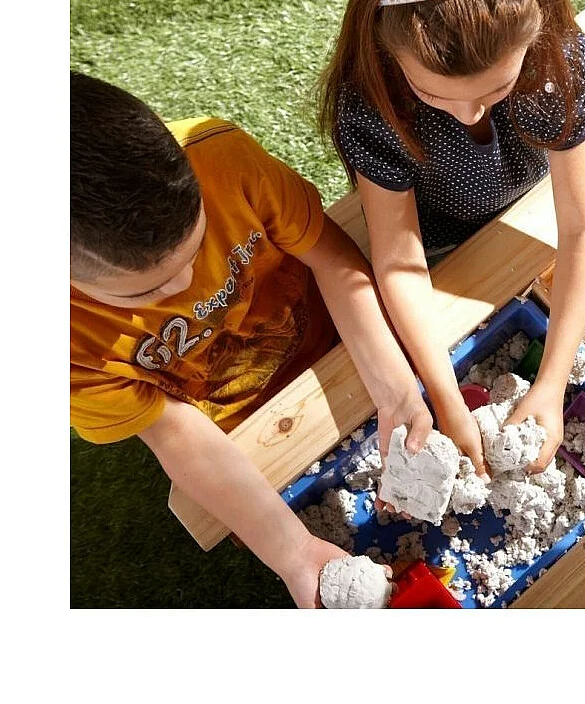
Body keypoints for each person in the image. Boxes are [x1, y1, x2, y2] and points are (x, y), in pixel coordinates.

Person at [70, 71, 432, 607]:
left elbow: (330, 257)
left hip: (335, 337)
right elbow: (171, 432)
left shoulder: (220, 158)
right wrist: (292, 553)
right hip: (230, 436)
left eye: (195, 250)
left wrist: (397, 390)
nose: (187, 285)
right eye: (147, 291)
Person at [316, 0, 585, 479]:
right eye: (432, 93)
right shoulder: (371, 107)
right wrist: (444, 396)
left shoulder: (556, 66)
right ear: (388, 54)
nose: (468, 112)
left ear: (537, 32)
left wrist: (551, 381)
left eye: (497, 88)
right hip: (436, 230)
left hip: (520, 195)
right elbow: (400, 263)